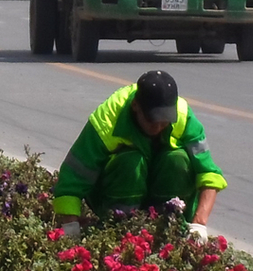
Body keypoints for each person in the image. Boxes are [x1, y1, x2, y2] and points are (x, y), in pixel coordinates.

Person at [52, 70, 227, 241]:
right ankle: (121, 230)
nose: (158, 127)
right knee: (131, 161)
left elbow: (209, 173)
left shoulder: (183, 116)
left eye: (164, 122)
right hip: (118, 187)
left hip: (162, 179)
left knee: (177, 159)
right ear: (136, 106)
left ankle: (170, 228)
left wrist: (199, 224)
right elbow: (73, 177)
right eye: (152, 121)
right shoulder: (107, 120)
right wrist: (70, 228)